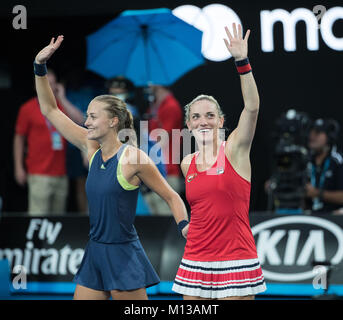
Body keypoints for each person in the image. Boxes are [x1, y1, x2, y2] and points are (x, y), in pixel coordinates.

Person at [33, 35, 188, 300]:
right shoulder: (90, 147)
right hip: (95, 251)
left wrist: (184, 225)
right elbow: (50, 109)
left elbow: (171, 196)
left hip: (123, 254)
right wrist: (39, 66)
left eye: (93, 116)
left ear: (114, 121)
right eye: (88, 116)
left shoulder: (134, 158)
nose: (87, 121)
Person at [172, 23, 266, 300]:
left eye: (210, 115)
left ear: (222, 121)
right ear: (188, 125)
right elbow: (188, 206)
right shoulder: (187, 163)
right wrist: (183, 226)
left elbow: (252, 107)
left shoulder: (235, 149)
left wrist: (242, 61)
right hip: (195, 260)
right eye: (197, 117)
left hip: (235, 260)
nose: (204, 121)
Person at [14, 69, 84, 216]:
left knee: (57, 220)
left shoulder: (60, 106)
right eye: (47, 84)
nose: (50, 87)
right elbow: (19, 139)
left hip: (60, 172)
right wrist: (18, 167)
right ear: (37, 85)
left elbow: (81, 121)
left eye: (53, 84)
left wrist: (62, 98)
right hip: (38, 172)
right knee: (38, 217)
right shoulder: (27, 108)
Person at [143, 84, 183, 215]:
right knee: (154, 216)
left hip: (167, 170)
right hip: (153, 170)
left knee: (166, 216)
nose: (148, 84)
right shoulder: (153, 107)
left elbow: (162, 139)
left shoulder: (171, 106)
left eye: (151, 82)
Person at [305, 118, 343, 213]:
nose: (312, 136)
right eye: (311, 132)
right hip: (309, 216)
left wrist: (317, 193)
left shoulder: (338, 161)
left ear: (329, 137)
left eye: (317, 132)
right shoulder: (305, 160)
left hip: (333, 218)